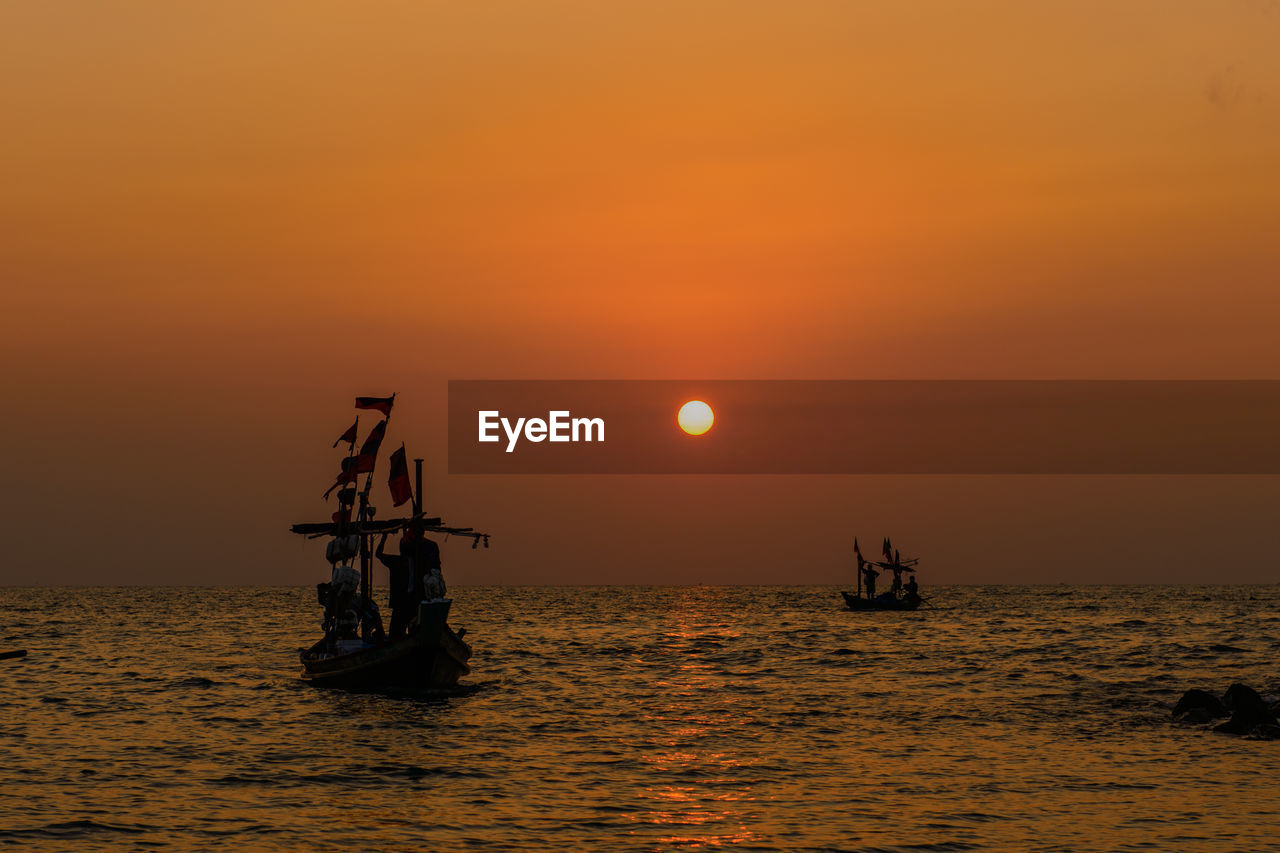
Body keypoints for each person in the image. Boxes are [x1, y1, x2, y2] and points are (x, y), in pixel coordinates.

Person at [376, 531, 415, 639]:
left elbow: (378, 554)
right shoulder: (416, 562)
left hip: (401, 604)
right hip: (411, 603)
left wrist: (384, 538)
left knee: (396, 634)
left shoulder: (396, 561)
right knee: (406, 633)